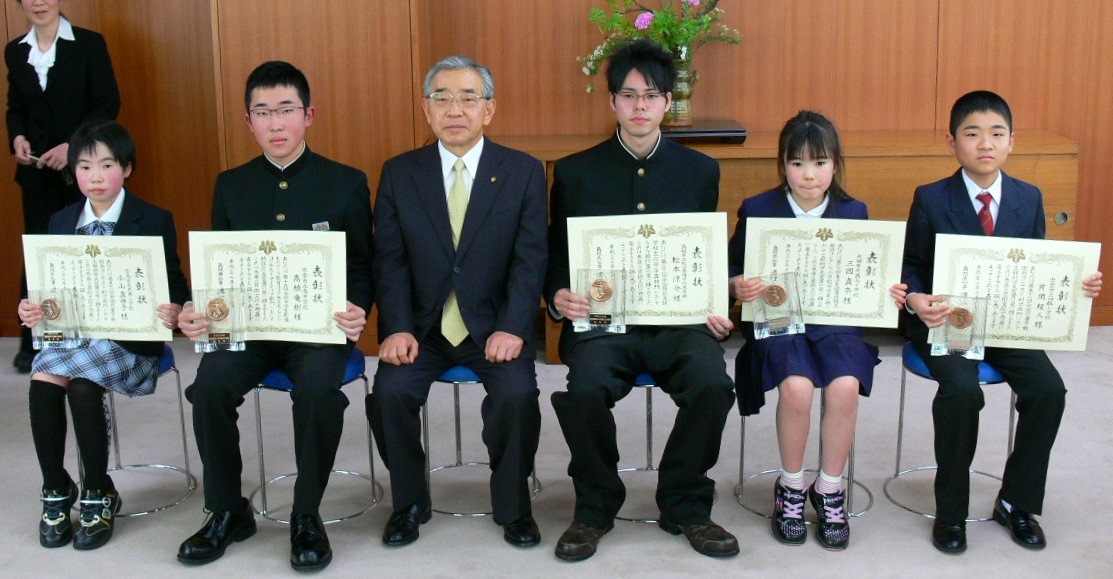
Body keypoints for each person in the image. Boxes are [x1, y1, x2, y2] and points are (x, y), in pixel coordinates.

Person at [174, 61, 373, 571]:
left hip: (317, 330)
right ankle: (226, 510)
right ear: (249, 122)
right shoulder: (231, 184)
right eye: (263, 112)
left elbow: (364, 263)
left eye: (286, 110)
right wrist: (199, 309)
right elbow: (216, 269)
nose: (276, 123)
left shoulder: (346, 182)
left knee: (315, 393)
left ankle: (306, 515)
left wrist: (358, 309)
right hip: (250, 328)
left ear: (309, 115)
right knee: (211, 385)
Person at [546, 39, 738, 562]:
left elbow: (704, 255)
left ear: (667, 103)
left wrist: (718, 306)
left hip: (678, 322)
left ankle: (685, 504)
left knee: (712, 383)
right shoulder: (574, 170)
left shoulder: (700, 171)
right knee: (583, 389)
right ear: (611, 102)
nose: (638, 107)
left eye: (650, 96)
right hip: (603, 324)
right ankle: (594, 508)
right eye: (627, 95)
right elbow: (558, 250)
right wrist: (558, 295)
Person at [902, 90, 1102, 554]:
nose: (985, 144)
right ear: (952, 142)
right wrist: (915, 298)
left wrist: (1077, 286)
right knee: (961, 391)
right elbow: (911, 266)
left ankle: (1016, 501)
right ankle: (951, 513)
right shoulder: (931, 198)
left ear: (1012, 142)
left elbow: (1038, 267)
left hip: (1010, 324)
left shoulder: (1028, 197)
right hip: (949, 324)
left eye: (996, 134)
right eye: (972, 134)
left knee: (1049, 390)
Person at [367, 55, 547, 549]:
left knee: (516, 395)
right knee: (389, 394)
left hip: (494, 327)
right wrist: (397, 327)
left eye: (468, 97)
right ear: (426, 110)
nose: (455, 109)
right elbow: (390, 259)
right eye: (442, 98)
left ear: (489, 110)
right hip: (423, 328)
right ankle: (408, 502)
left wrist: (514, 326)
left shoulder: (523, 172)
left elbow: (530, 260)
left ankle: (512, 505)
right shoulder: (401, 173)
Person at [728, 111, 907, 550]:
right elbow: (731, 268)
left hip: (835, 323)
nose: (808, 176)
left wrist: (891, 290)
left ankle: (829, 488)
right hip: (780, 322)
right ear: (782, 164)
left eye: (820, 163)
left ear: (836, 164)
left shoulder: (854, 211)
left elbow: (870, 273)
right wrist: (736, 283)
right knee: (797, 388)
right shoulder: (758, 210)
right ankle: (790, 487)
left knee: (845, 386)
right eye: (797, 164)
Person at [18, 119, 187, 550]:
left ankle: (97, 489)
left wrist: (174, 308)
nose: (94, 177)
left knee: (82, 386)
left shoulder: (152, 218)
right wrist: (29, 306)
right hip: (73, 336)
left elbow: (175, 286)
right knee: (42, 383)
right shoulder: (60, 220)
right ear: (72, 171)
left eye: (106, 165)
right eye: (84, 167)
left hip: (127, 341)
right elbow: (39, 285)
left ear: (127, 168)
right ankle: (56, 487)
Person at [6, 0, 121, 374]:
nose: (39, 2)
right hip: (37, 173)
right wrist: (18, 138)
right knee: (39, 253)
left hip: (84, 171)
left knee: (86, 250)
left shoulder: (88, 44)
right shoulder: (15, 50)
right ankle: (35, 340)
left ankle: (97, 337)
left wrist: (72, 147)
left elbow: (107, 104)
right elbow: (15, 108)